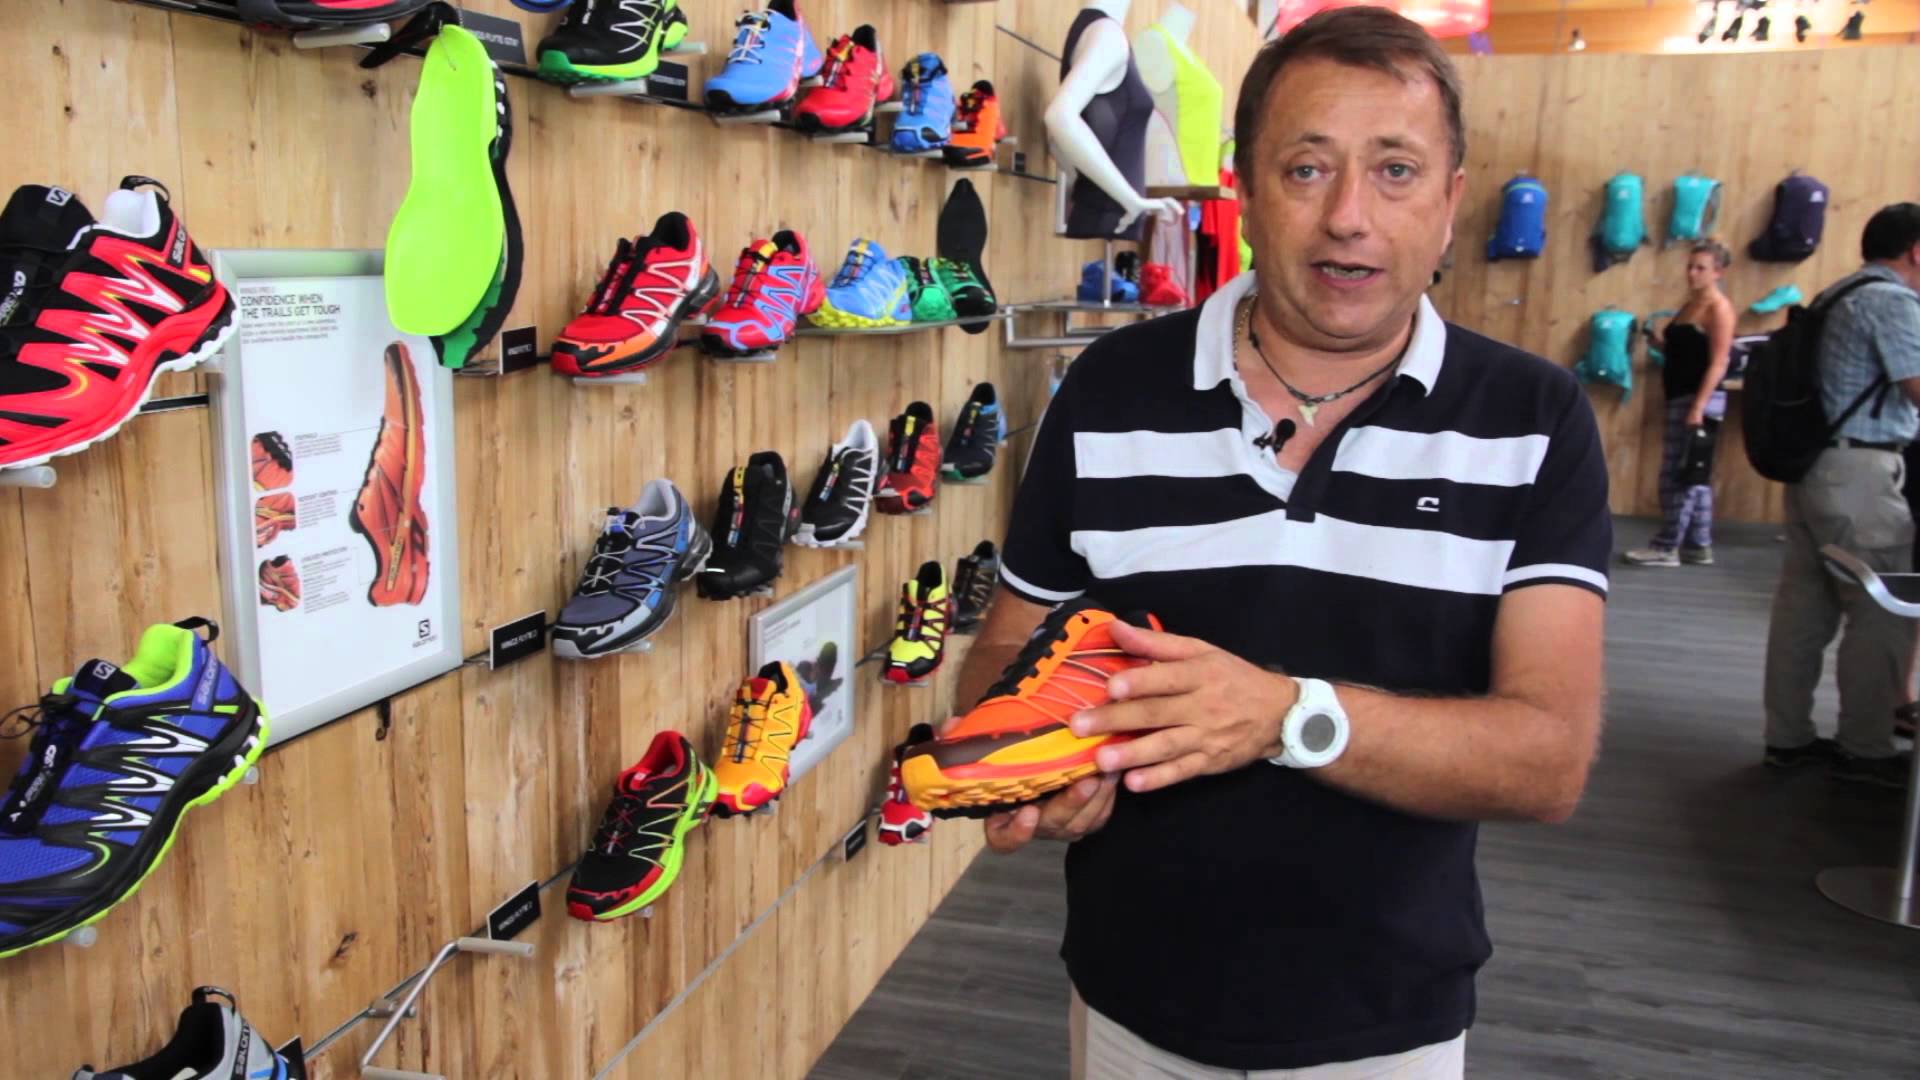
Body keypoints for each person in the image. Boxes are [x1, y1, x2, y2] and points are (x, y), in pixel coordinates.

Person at [950, 9, 1610, 1078]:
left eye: (1395, 171)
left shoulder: (1532, 420)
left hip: (1388, 1023)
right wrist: (1045, 765)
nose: (1349, 216)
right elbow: (999, 654)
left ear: (1450, 203)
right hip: (1128, 1002)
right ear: (1247, 193)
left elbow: (1548, 760)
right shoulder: (1109, 392)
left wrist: (1284, 715)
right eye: (1307, 169)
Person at [1762, 202, 1920, 788]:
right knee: (1882, 612)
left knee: (1803, 611)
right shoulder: (1892, 301)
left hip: (1816, 467)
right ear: (1917, 251)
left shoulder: (1838, 294)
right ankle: (1866, 747)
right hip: (1860, 475)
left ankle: (1787, 738)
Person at [1622, 240, 1737, 567]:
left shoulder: (1719, 309)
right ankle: (1698, 545)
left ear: (1718, 272)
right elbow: (1684, 351)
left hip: (1699, 399)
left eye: (1701, 268)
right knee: (1694, 474)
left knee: (1677, 475)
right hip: (1679, 394)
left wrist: (1699, 406)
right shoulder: (1690, 305)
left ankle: (1666, 546)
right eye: (1690, 266)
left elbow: (1719, 362)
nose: (1692, 273)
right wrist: (1657, 341)